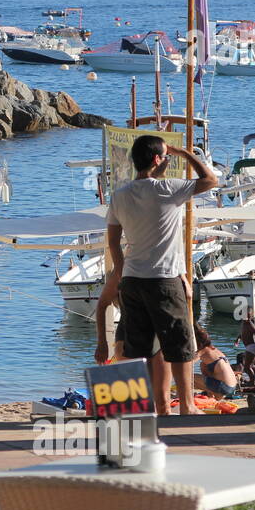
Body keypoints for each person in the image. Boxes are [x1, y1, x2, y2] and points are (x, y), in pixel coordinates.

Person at [105, 134, 219, 415]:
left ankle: (138, 406)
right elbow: (210, 180)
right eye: (165, 156)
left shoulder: (120, 196)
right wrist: (184, 153)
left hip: (132, 279)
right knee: (179, 344)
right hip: (164, 279)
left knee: (138, 348)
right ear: (158, 159)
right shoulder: (169, 188)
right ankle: (188, 406)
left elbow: (112, 241)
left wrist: (120, 274)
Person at [93, 269, 171, 413]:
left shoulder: (164, 265)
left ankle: (162, 434)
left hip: (160, 335)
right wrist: (102, 343)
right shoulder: (121, 270)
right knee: (138, 402)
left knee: (163, 402)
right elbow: (102, 304)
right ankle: (132, 431)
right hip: (128, 336)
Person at [194, 324, 238, 399]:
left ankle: (216, 394)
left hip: (224, 387)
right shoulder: (214, 350)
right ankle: (212, 393)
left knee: (189, 377)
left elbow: (186, 364)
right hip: (232, 386)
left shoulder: (203, 352)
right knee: (203, 365)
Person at [234, 307, 255, 384]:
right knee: (251, 366)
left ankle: (252, 382)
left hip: (252, 347)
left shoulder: (250, 324)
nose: (246, 318)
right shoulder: (244, 323)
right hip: (249, 347)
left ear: (251, 317)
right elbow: (243, 333)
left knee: (247, 367)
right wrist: (238, 338)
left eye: (249, 316)